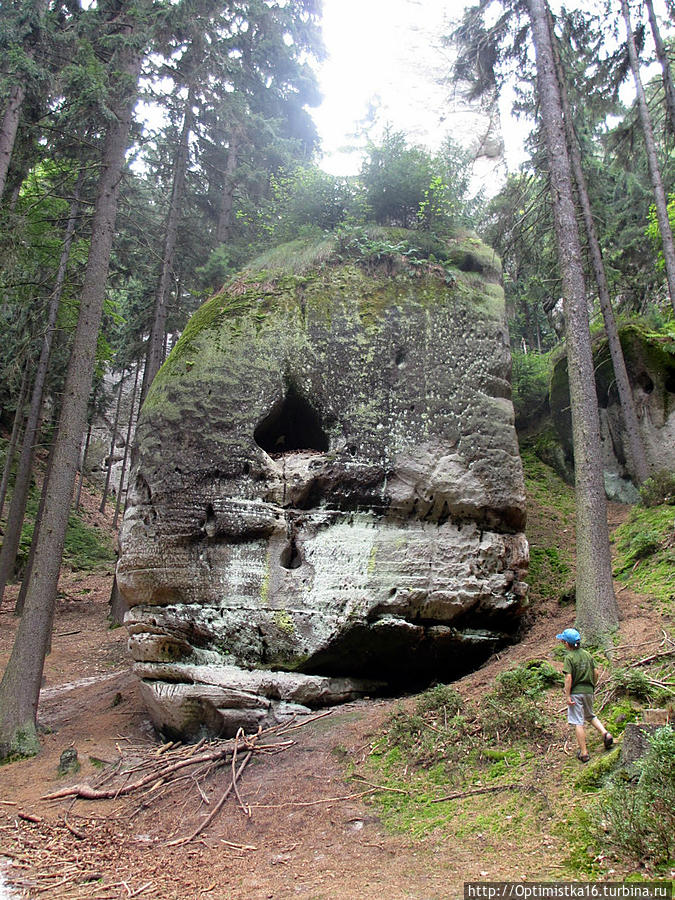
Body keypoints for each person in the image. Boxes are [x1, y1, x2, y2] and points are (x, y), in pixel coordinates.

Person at [556, 627, 613, 762]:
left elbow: (568, 678)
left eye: (563, 641)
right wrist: (592, 685)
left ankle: (584, 752)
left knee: (578, 722)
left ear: (567, 643)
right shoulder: (588, 655)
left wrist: (567, 695)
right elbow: (596, 672)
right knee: (590, 715)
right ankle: (605, 733)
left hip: (576, 693)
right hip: (588, 691)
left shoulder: (569, 658)